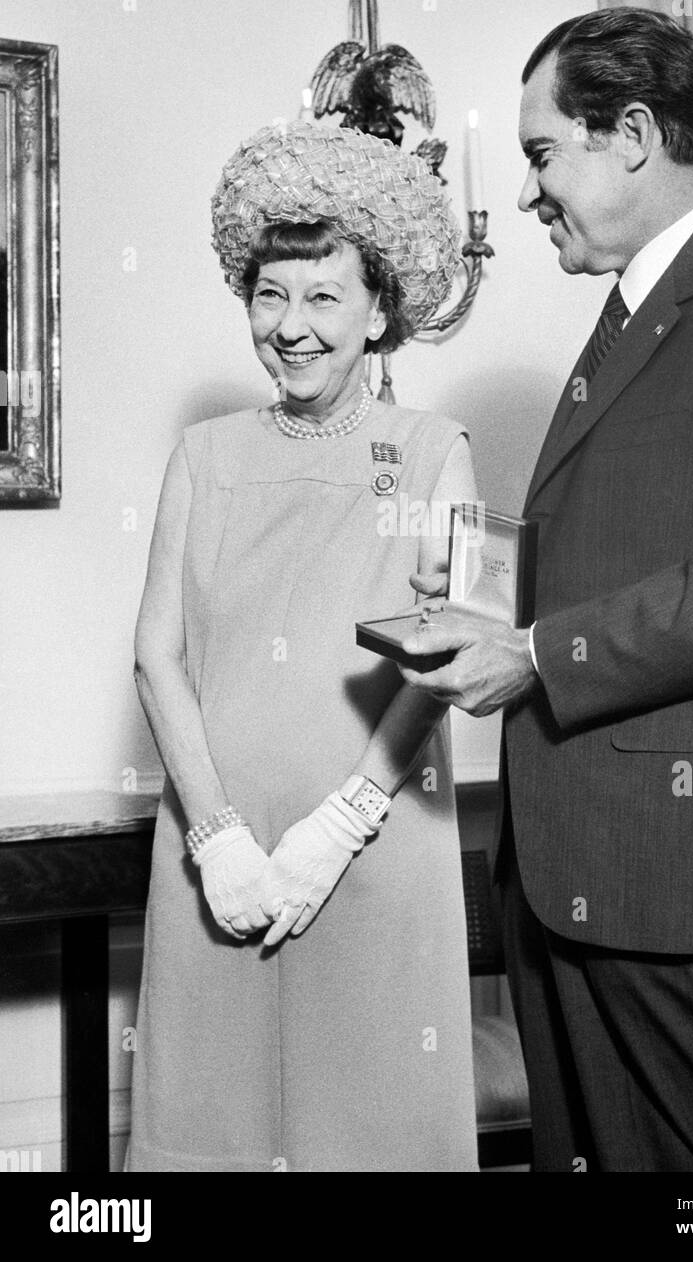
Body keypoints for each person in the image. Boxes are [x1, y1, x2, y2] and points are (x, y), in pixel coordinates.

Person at [400, 7, 693, 1172]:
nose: (525, 194)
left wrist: (539, 653)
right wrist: (482, 597)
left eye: (542, 152)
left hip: (675, 869)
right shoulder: (632, 311)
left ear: (636, 135)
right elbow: (633, 550)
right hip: (576, 865)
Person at [128, 121, 479, 1172]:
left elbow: (450, 654)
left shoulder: (434, 453)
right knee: (212, 1134)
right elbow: (157, 657)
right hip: (215, 861)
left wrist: (344, 822)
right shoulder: (204, 455)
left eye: (324, 297)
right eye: (269, 294)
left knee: (373, 1134)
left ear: (380, 313)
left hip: (380, 855)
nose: (291, 326)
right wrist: (217, 839)